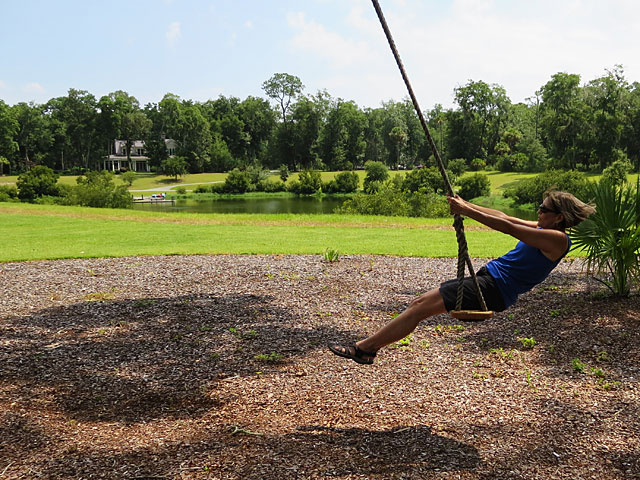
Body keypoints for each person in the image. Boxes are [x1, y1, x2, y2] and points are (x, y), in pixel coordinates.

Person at [329, 190, 596, 365]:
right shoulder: (542, 227)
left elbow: (507, 227)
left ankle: (365, 348)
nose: (538, 211)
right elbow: (503, 215)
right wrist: (465, 204)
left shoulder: (556, 239)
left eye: (543, 208)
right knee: (418, 305)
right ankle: (368, 348)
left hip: (493, 289)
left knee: (419, 307)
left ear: (559, 216)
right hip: (490, 282)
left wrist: (466, 212)